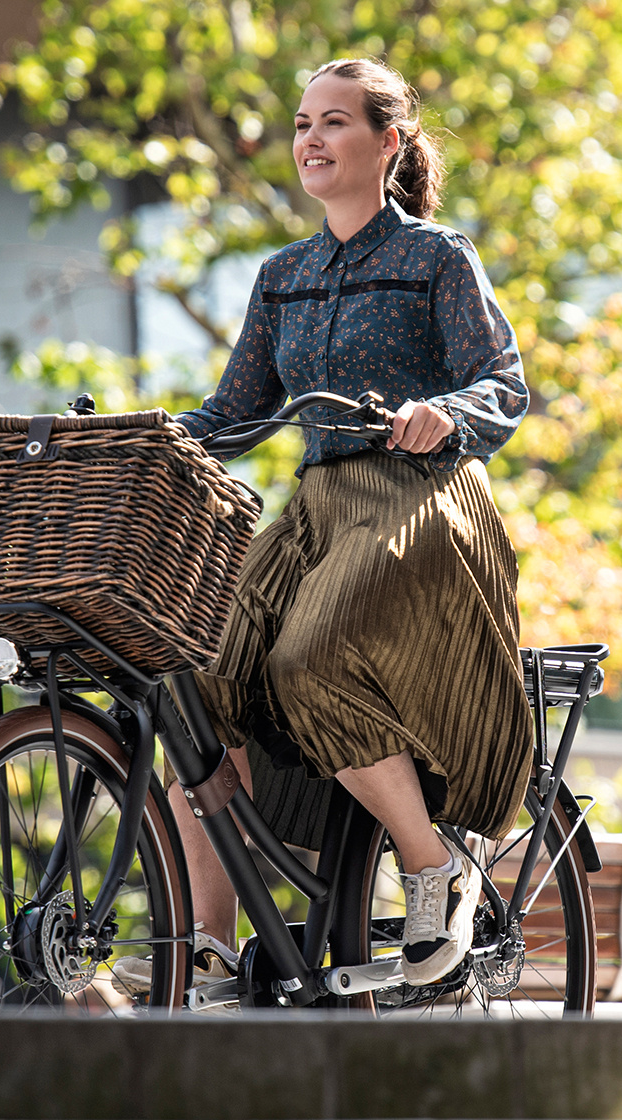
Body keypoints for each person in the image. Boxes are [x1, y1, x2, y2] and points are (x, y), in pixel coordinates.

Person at [167, 56, 532, 988]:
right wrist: (151, 439)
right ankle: (206, 944)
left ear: (389, 142)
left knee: (306, 658)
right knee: (193, 681)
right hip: (319, 510)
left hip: (421, 503)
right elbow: (233, 416)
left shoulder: (437, 257)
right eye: (301, 125)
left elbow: (504, 381)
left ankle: (427, 864)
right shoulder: (282, 276)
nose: (311, 140)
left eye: (333, 122)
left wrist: (446, 413)